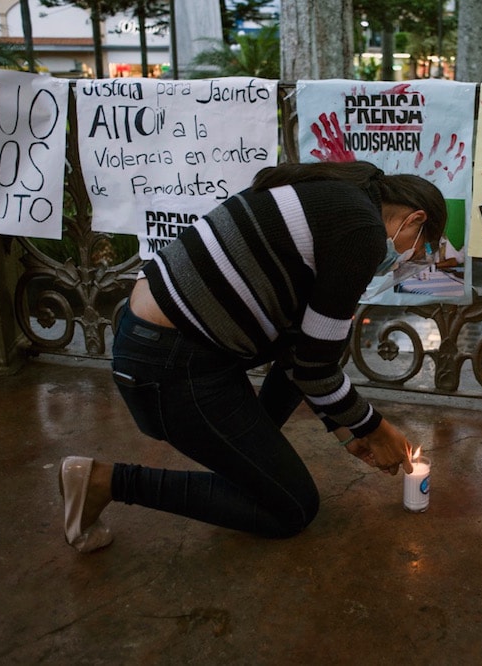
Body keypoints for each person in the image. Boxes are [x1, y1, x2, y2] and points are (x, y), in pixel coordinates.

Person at [59, 161, 447, 552]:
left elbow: (304, 353)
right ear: (414, 218)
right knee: (292, 507)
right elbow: (316, 371)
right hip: (168, 367)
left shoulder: (336, 197)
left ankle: (254, 460)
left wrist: (348, 434)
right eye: (418, 249)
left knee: (314, 347)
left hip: (161, 346)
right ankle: (104, 482)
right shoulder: (362, 229)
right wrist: (377, 429)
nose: (404, 262)